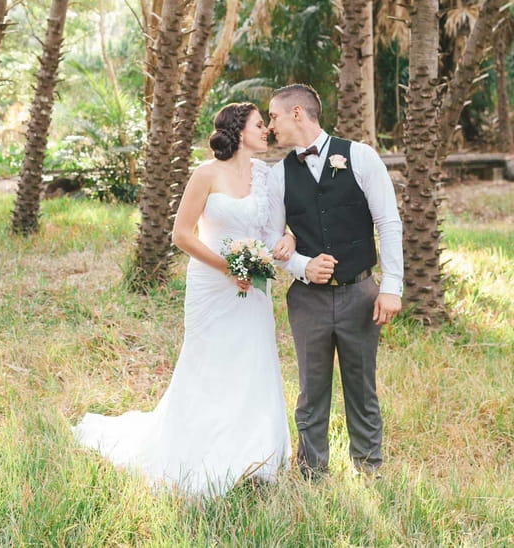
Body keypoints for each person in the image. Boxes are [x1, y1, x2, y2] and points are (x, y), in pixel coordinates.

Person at [73, 102, 291, 497]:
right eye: (260, 125)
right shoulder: (205, 174)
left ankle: (256, 453)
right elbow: (183, 234)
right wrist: (228, 267)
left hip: (253, 285)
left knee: (253, 358)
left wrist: (287, 239)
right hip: (213, 282)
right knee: (209, 361)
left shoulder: (267, 176)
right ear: (240, 131)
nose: (266, 131)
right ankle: (197, 450)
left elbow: (277, 228)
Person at [267, 83, 403, 479]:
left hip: (360, 292)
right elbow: (272, 243)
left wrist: (391, 286)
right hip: (307, 300)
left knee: (361, 386)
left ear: (297, 113)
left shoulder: (360, 156)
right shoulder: (279, 176)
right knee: (312, 390)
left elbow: (388, 222)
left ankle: (369, 469)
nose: (270, 125)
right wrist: (301, 265)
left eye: (273, 116)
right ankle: (311, 473)